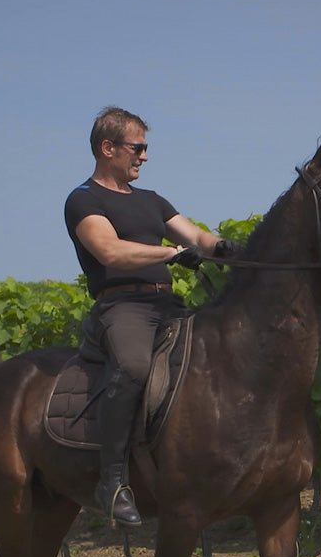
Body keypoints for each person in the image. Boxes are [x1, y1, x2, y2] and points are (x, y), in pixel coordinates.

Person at [64, 106, 238, 528]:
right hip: (122, 307)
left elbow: (196, 237)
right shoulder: (84, 199)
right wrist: (171, 254)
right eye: (137, 147)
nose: (145, 156)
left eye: (146, 148)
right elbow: (109, 251)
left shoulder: (153, 201)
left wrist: (231, 250)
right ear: (108, 148)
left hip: (167, 305)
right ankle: (113, 482)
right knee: (134, 367)